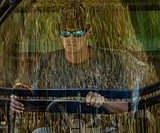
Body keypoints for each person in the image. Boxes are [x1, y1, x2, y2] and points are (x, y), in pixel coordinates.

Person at [10, 1, 155, 132]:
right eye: (65, 33)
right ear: (59, 33)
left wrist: (103, 101)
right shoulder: (48, 62)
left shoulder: (110, 62)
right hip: (57, 129)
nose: (71, 39)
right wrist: (19, 103)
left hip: (99, 128)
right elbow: (36, 102)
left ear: (88, 32)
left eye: (78, 33)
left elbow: (125, 106)